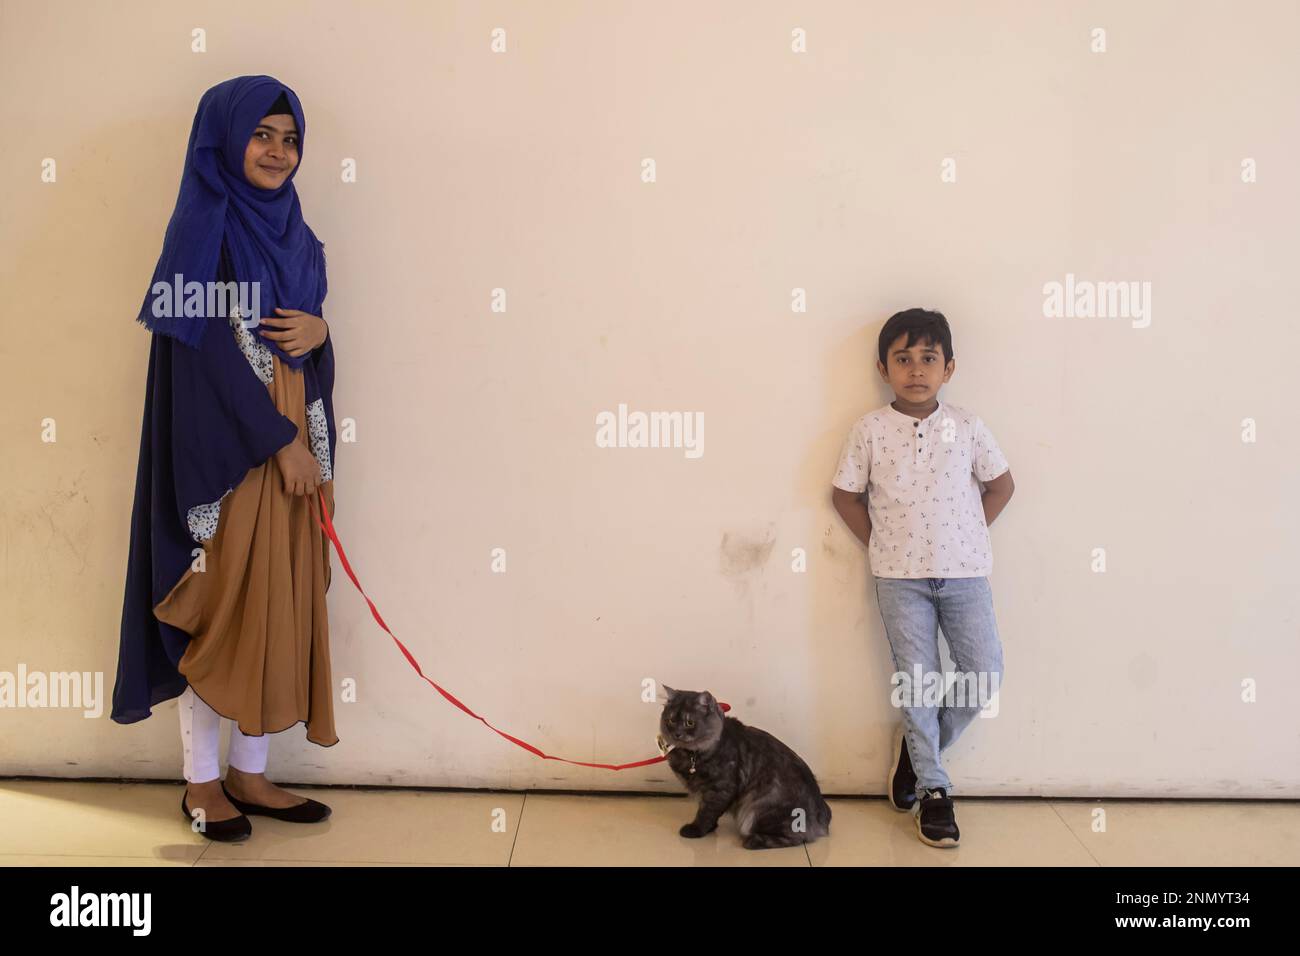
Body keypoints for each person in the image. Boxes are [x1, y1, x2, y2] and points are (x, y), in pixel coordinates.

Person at [112, 75, 339, 842]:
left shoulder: (299, 235)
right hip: (231, 452)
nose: (278, 152)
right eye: (261, 135)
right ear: (224, 138)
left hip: (294, 445)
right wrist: (278, 445)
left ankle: (250, 772)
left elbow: (300, 342)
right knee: (222, 610)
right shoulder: (199, 229)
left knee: (280, 601)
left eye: (290, 137)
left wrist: (322, 333)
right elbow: (201, 357)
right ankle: (202, 784)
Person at [830, 308, 1015, 848]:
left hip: (965, 577)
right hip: (899, 580)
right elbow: (844, 495)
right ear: (884, 368)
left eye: (928, 358)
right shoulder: (868, 430)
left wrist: (967, 536)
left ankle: (916, 752)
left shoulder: (969, 425)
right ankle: (935, 790)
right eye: (903, 359)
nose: (916, 369)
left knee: (983, 673)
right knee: (918, 683)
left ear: (949, 367)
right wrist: (882, 544)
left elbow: (1001, 486)